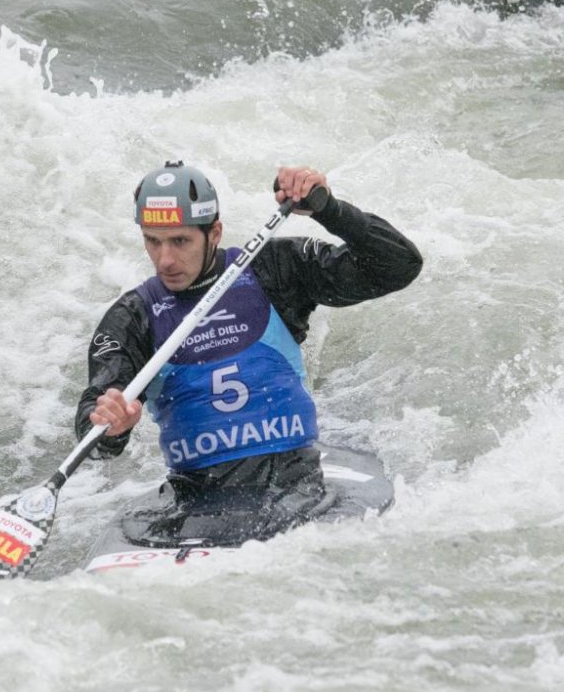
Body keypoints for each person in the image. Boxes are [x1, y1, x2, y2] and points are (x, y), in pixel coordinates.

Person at [74, 160, 422, 536]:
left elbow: (399, 266)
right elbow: (95, 433)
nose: (166, 260)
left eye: (180, 241)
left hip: (299, 489)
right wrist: (110, 425)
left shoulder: (273, 270)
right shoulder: (133, 317)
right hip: (196, 506)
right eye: (153, 241)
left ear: (215, 232)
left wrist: (331, 211)